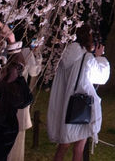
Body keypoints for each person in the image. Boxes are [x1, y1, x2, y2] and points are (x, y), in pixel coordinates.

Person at [46, 26, 110, 161]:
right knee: (79, 149)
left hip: (66, 105)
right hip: (81, 106)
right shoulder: (86, 57)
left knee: (63, 146)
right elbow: (101, 76)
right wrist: (99, 57)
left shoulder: (67, 54)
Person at [6, 42, 41, 161]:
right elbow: (34, 71)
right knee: (17, 136)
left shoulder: (0, 46)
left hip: (3, 98)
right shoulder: (25, 51)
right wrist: (37, 56)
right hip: (17, 97)